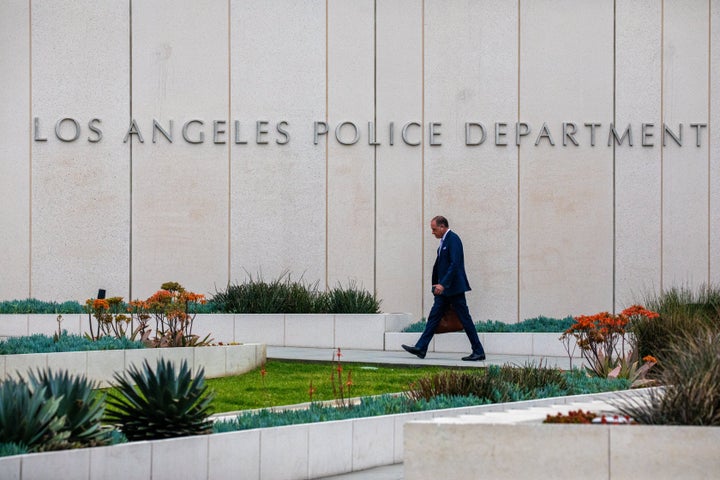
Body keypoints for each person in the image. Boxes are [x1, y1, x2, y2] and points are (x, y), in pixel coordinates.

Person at [402, 215, 486, 361]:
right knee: (434, 317)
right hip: (445, 290)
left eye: (434, 229)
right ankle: (421, 347)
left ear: (442, 226)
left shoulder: (453, 239)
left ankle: (478, 351)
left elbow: (455, 264)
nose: (432, 232)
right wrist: (436, 283)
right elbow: (440, 265)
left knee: (465, 319)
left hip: (454, 289)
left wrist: (443, 283)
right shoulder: (443, 242)